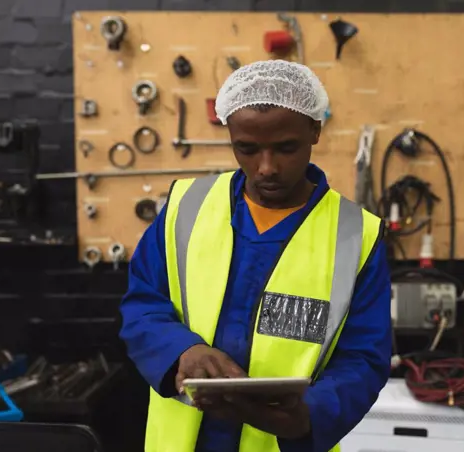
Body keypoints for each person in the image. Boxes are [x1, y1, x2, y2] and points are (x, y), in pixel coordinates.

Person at [119, 59, 392, 452]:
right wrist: (181, 351)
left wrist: (309, 414)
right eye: (246, 149)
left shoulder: (357, 236)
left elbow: (364, 358)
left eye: (286, 148)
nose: (266, 168)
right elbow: (143, 304)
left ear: (315, 130)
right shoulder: (186, 208)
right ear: (229, 134)